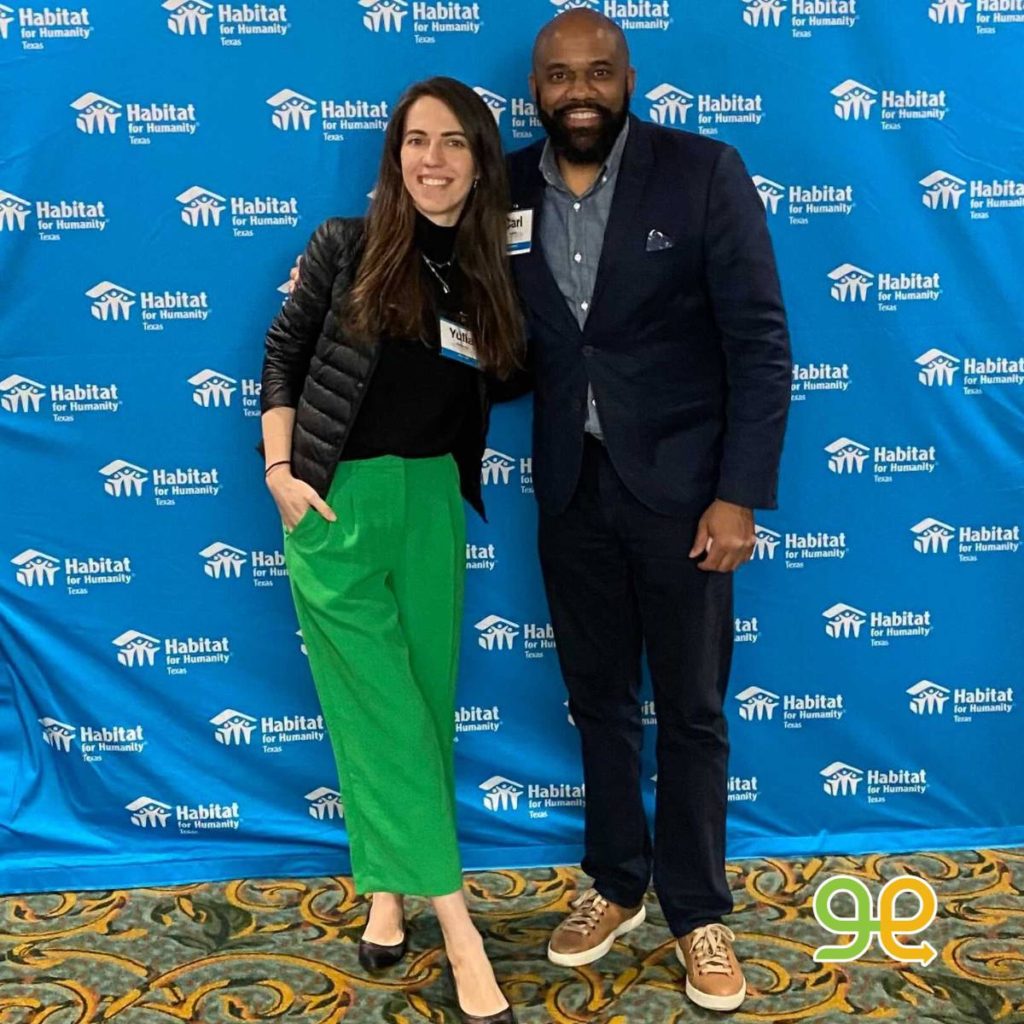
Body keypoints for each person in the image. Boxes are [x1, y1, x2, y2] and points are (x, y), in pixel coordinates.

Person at [509, 8, 792, 1012]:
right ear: (534, 89)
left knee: (693, 710)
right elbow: (495, 339)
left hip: (684, 497)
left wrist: (737, 494)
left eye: (595, 72)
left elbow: (758, 341)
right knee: (596, 702)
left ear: (628, 76)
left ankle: (698, 910)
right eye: (557, 76)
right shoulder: (506, 187)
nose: (576, 90)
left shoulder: (701, 171)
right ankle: (616, 882)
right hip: (570, 489)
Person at [260, 76, 522, 1024]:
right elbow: (284, 351)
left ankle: (385, 892)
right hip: (336, 506)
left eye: (454, 142)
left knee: (423, 705)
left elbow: (520, 369)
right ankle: (458, 926)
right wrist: (280, 472)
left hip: (431, 505)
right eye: (416, 140)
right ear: (394, 154)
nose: (432, 160)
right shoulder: (344, 245)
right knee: (383, 715)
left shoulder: (496, 266)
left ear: (480, 159)